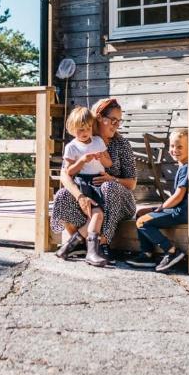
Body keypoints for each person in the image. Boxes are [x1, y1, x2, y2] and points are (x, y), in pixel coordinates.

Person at [51, 97, 138, 265]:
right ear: (99, 117)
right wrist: (79, 197)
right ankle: (80, 241)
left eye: (119, 121)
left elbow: (132, 183)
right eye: (113, 120)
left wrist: (112, 178)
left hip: (120, 202)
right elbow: (65, 174)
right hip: (89, 194)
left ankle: (100, 243)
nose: (116, 125)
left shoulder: (122, 144)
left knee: (108, 187)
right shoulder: (81, 141)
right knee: (62, 194)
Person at [126, 129, 189, 271]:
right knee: (141, 213)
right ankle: (147, 254)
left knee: (142, 222)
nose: (174, 150)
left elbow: (179, 195)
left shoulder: (186, 168)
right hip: (176, 209)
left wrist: (162, 207)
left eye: (180, 147)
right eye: (172, 146)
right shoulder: (182, 166)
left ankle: (172, 251)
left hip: (181, 212)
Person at [59, 107, 114, 266]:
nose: (85, 132)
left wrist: (102, 158)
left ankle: (69, 247)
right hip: (84, 182)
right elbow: (69, 171)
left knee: (96, 215)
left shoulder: (98, 141)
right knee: (96, 214)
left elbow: (108, 163)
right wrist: (82, 161)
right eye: (81, 130)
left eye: (88, 128)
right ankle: (90, 252)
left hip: (98, 181)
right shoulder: (72, 146)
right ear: (72, 129)